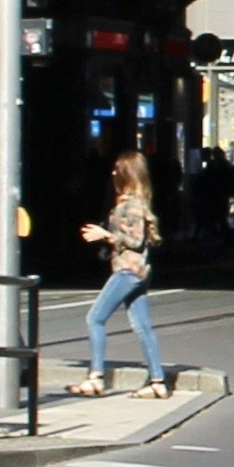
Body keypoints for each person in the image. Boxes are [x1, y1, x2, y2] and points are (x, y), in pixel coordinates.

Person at [78, 148, 168, 396]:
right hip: (136, 271)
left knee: (94, 318)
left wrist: (106, 235)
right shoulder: (133, 202)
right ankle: (158, 382)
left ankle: (96, 377)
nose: (112, 172)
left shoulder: (132, 204)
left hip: (127, 272)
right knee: (143, 326)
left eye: (117, 169)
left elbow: (135, 239)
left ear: (126, 174)